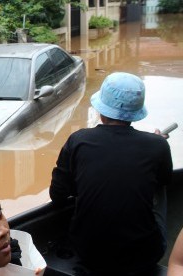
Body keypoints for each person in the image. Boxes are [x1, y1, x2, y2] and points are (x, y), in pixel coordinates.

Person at [49, 72, 173, 275]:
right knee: (160, 188)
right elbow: (163, 181)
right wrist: (154, 145)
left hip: (88, 251)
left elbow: (58, 194)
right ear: (136, 112)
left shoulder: (78, 140)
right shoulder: (157, 145)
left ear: (101, 111)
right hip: (143, 256)